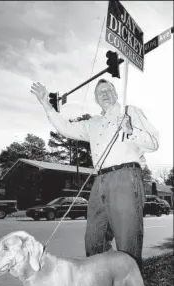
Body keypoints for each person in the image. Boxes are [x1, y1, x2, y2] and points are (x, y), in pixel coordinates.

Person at [30, 79, 159, 274]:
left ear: (116, 93)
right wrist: (45, 104)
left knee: (127, 242)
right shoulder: (93, 123)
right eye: (100, 92)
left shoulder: (129, 111)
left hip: (125, 176)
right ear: (96, 99)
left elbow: (154, 143)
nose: (105, 94)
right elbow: (65, 128)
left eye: (108, 90)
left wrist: (131, 130)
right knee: (94, 240)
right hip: (99, 181)